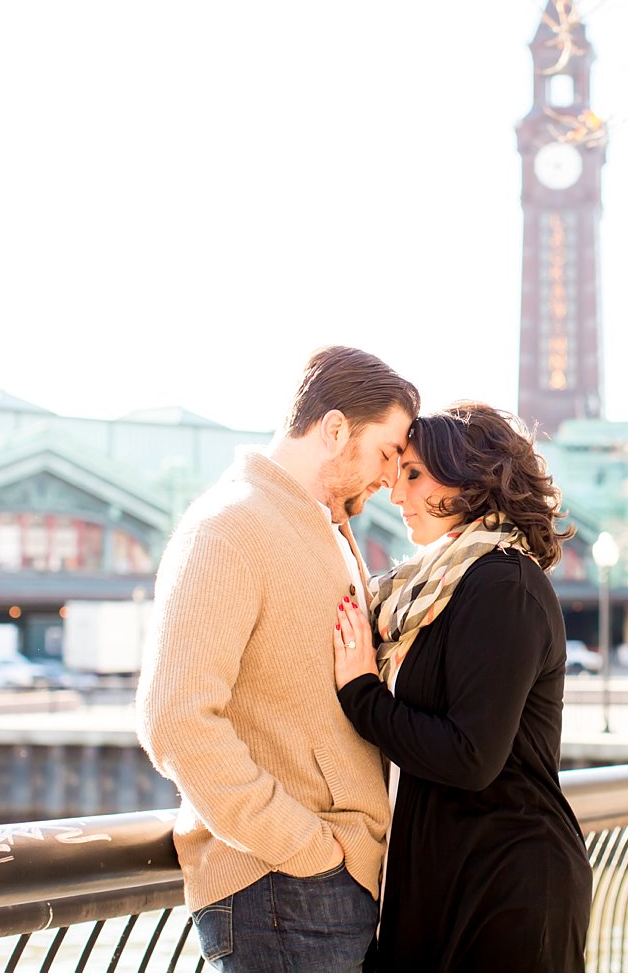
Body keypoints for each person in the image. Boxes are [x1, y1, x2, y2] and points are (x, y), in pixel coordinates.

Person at [136, 345, 419, 973]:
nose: (389, 479)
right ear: (336, 428)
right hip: (281, 885)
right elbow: (175, 718)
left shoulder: (322, 528)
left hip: (327, 884)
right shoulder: (229, 526)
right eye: (385, 454)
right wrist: (306, 847)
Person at [332, 402, 592, 972]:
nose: (397, 495)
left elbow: (471, 756)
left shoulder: (503, 584)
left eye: (415, 473)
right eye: (397, 473)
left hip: (505, 888)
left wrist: (360, 692)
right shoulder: (431, 590)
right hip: (444, 875)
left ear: (473, 475)